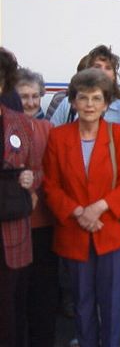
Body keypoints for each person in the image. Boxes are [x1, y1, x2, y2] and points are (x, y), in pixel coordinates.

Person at [43, 68, 120, 347]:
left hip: (111, 230)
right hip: (74, 231)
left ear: (106, 103)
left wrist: (97, 208)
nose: (89, 105)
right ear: (72, 102)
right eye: (83, 98)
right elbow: (50, 185)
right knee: (82, 301)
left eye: (96, 98)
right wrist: (78, 212)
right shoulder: (58, 137)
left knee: (111, 302)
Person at [14, 67, 59, 347]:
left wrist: (36, 180)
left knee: (44, 292)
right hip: (15, 224)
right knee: (17, 293)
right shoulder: (7, 129)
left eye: (35, 96)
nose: (31, 102)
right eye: (23, 97)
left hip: (45, 223)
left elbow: (56, 172)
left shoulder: (49, 129)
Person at [0, 48, 39, 347]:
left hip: (11, 232)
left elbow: (37, 171)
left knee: (9, 310)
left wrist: (30, 179)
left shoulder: (20, 122)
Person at [50, 45, 120, 126]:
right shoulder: (67, 103)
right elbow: (54, 133)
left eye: (108, 68)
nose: (102, 72)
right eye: (97, 67)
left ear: (114, 76)